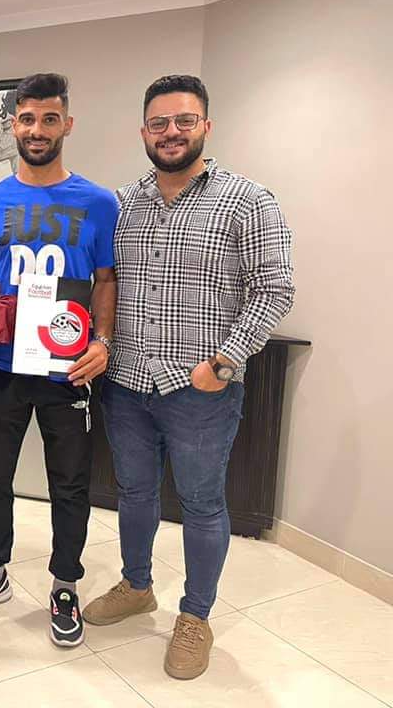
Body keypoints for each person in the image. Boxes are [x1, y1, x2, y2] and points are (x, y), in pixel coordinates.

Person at [82, 75, 294, 680]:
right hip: (127, 382)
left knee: (202, 505)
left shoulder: (247, 200)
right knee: (134, 494)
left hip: (200, 390)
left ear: (206, 126)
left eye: (184, 121)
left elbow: (275, 288)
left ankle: (195, 616)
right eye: (159, 123)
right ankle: (137, 585)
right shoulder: (123, 203)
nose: (170, 132)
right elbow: (106, 282)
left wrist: (224, 361)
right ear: (143, 131)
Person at [0, 73, 118, 649]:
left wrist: (102, 341)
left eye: (49, 119)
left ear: (67, 124)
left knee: (69, 483)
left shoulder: (99, 202)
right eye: (27, 119)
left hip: (66, 365)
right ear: (14, 125)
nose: (38, 129)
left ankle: (65, 583)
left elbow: (105, 279)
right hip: (1, 363)